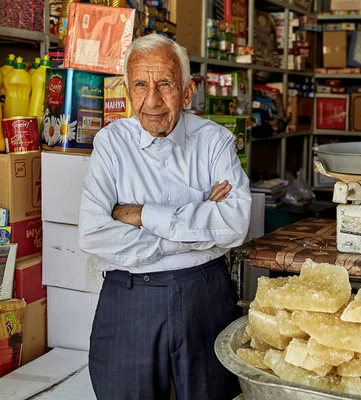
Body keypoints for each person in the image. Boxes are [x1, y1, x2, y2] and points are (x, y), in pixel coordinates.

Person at [78, 34, 252, 400]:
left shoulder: (215, 142)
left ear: (187, 92)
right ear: (127, 91)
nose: (152, 100)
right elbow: (94, 233)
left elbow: (234, 224)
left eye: (165, 84)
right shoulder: (111, 144)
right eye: (140, 85)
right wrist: (196, 221)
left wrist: (141, 214)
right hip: (129, 297)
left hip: (204, 293)